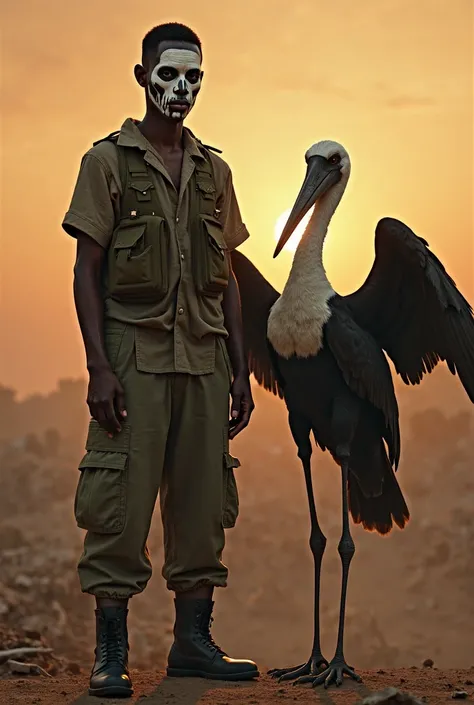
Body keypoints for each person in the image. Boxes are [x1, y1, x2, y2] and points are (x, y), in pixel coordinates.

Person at [62, 22, 258, 698]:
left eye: (194, 78)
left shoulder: (215, 171)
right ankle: (110, 651)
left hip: (203, 359)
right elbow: (86, 269)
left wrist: (241, 366)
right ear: (142, 76)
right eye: (169, 75)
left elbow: (228, 274)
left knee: (204, 501)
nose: (182, 90)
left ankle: (194, 642)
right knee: (119, 497)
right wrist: (97, 365)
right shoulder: (108, 162)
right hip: (133, 354)